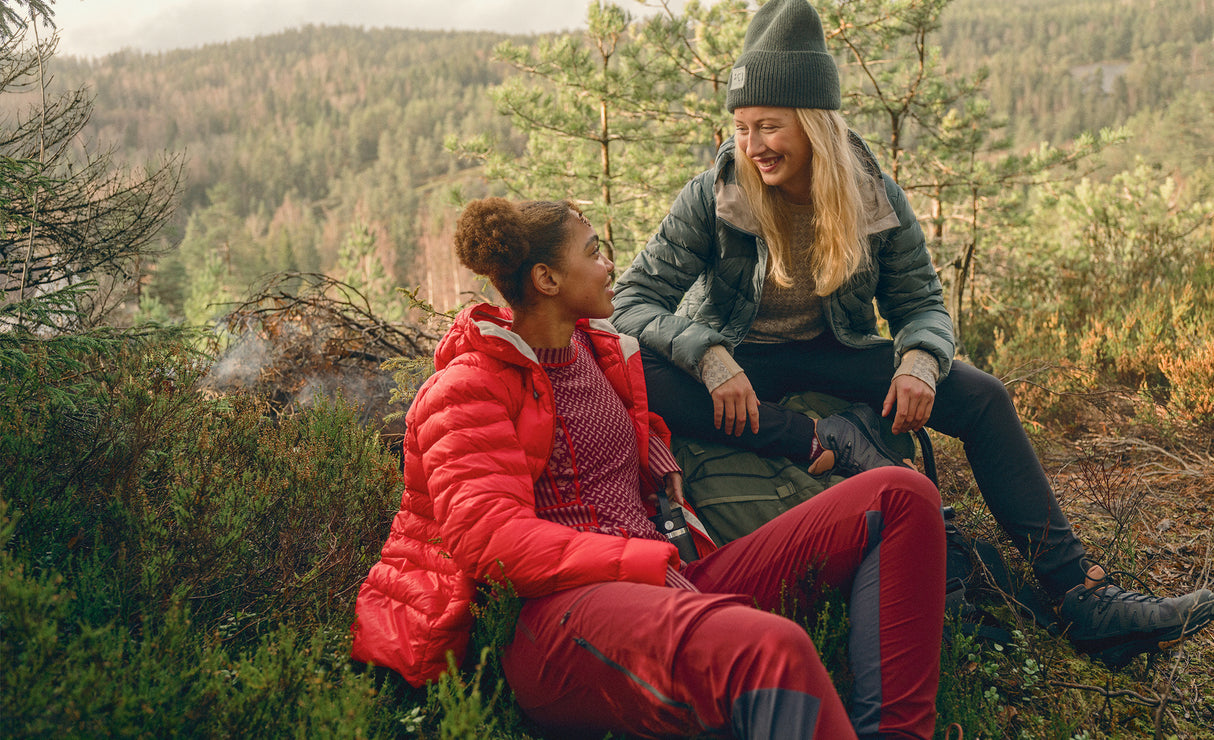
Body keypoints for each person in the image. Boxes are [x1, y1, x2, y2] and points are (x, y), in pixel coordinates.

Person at [610, 0, 1214, 670]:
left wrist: (921, 359)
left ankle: (1081, 591)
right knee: (639, 377)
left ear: (814, 122)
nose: (753, 146)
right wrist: (707, 353)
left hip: (834, 352)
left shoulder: (872, 197)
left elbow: (921, 303)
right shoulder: (714, 194)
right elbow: (629, 301)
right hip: (741, 358)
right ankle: (816, 437)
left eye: (770, 126)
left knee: (983, 396)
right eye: (743, 127)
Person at [350, 196, 947, 739]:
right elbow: (491, 540)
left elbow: (622, 441)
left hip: (662, 581)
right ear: (547, 279)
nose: (609, 265)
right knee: (771, 649)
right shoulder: (468, 387)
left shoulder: (594, 351)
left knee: (901, 495)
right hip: (558, 621)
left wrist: (663, 472)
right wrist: (641, 560)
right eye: (594, 252)